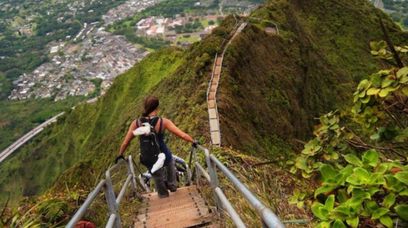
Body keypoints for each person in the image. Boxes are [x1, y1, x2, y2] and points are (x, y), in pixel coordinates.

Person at [117, 96, 197, 198]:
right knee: (170, 162)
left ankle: (163, 195)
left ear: (145, 107)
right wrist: (193, 141)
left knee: (157, 176)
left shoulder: (136, 123)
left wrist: (120, 154)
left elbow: (125, 142)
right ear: (157, 107)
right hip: (164, 154)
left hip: (148, 157)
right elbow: (181, 135)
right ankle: (172, 184)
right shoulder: (163, 122)